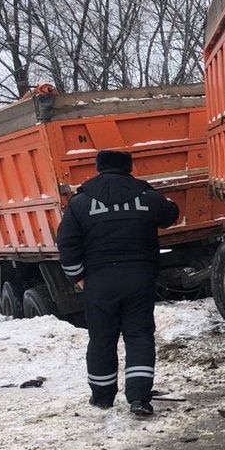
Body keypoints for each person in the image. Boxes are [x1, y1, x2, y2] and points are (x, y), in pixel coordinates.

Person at [57, 149, 180, 417]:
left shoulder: (79, 204)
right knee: (139, 337)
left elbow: (66, 243)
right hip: (139, 278)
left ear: (99, 168)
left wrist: (77, 276)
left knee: (101, 339)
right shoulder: (146, 197)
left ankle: (102, 398)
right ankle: (138, 398)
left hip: (99, 282)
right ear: (129, 167)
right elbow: (171, 215)